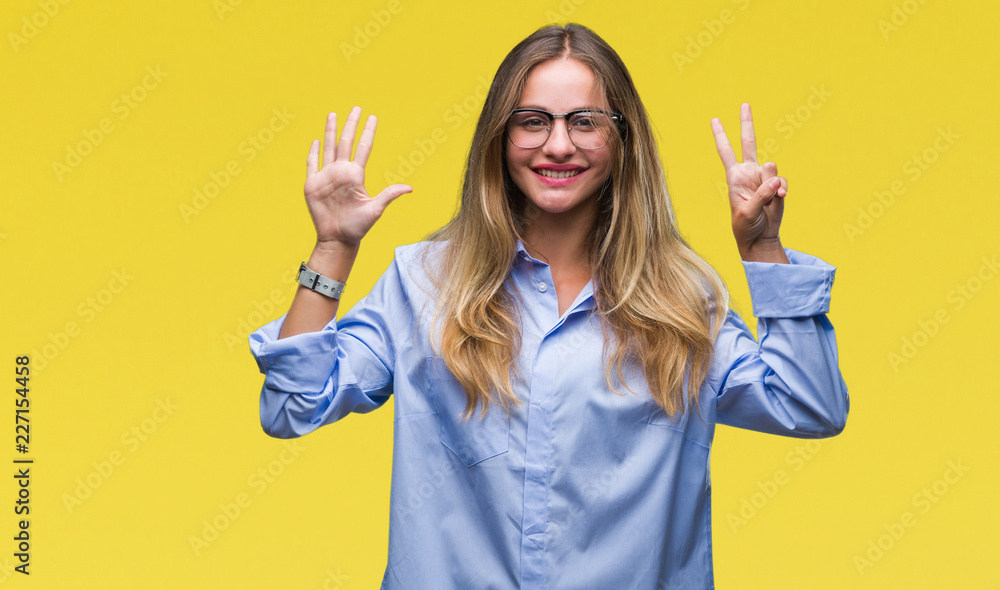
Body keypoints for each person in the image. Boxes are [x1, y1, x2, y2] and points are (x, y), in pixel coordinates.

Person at [248, 23, 848, 590]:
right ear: (499, 137)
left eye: (585, 121)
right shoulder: (423, 282)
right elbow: (293, 405)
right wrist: (333, 249)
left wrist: (763, 249)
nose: (558, 146)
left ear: (622, 138)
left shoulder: (683, 299)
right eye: (532, 121)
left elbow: (809, 404)